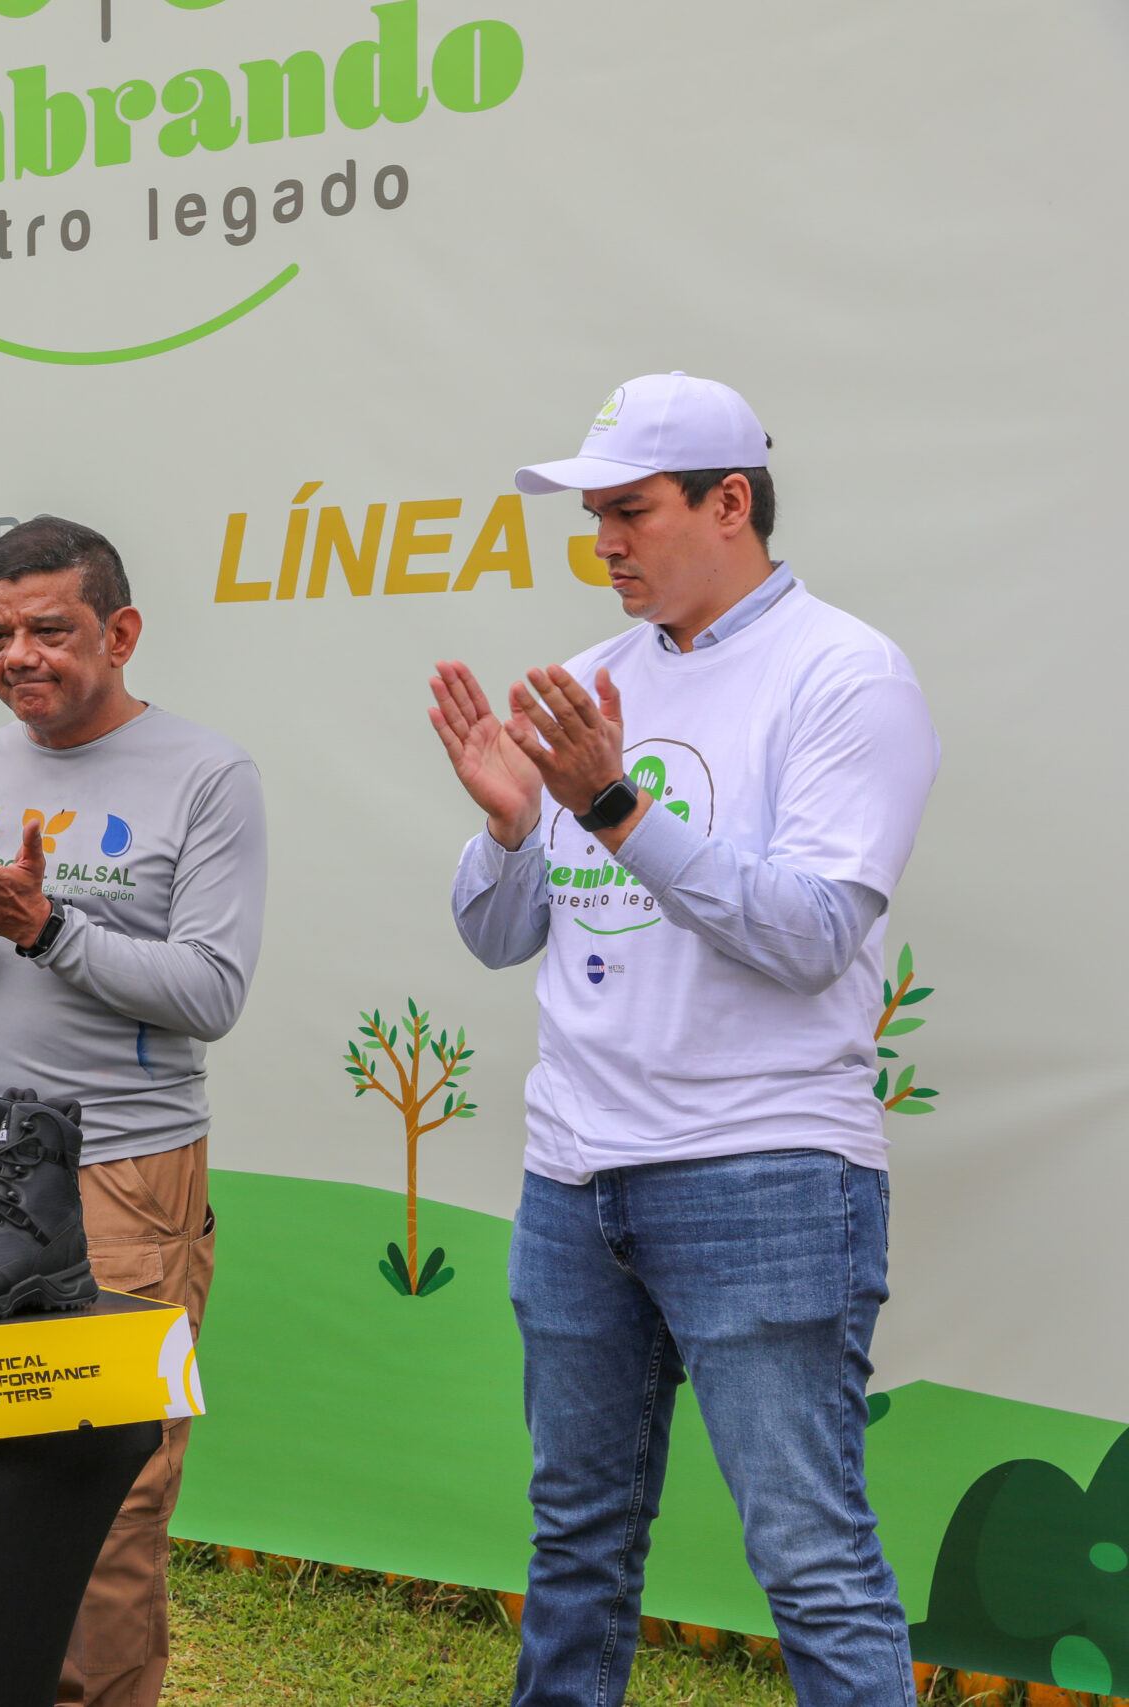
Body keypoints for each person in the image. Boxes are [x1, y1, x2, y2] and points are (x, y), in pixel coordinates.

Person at [428, 373, 939, 1707]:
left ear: (730, 504)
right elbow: (501, 936)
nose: (605, 542)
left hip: (762, 1167)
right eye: (594, 517)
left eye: (631, 511)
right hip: (574, 1175)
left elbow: (811, 933)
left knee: (810, 1557)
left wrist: (612, 803)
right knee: (574, 1544)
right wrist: (509, 827)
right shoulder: (590, 680)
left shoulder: (846, 674)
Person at [0, 514, 265, 1707]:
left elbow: (210, 992)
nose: (18, 656)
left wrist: (44, 928)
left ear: (120, 633)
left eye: (48, 630)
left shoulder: (206, 776)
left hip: (121, 1188)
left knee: (107, 1502)